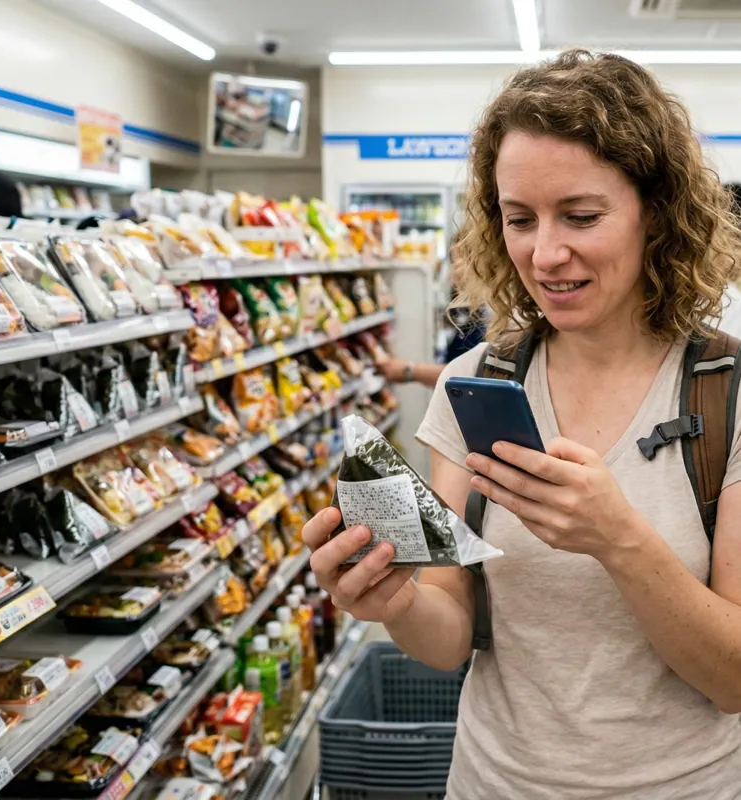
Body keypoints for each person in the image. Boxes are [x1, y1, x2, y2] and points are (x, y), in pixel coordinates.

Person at [303, 49, 741, 799]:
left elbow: (731, 679)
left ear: (656, 213)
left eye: (580, 216)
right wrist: (393, 600)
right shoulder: (476, 383)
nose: (544, 254)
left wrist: (618, 539)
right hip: (491, 782)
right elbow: (449, 638)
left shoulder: (724, 393)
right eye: (518, 219)